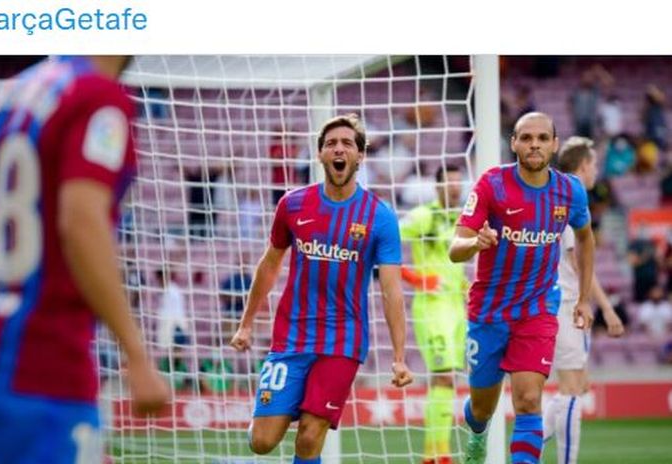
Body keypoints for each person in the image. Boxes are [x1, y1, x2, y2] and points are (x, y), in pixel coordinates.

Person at [0, 56, 168, 463]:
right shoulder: (97, 97)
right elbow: (80, 221)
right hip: (44, 359)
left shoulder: (7, 98)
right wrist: (136, 354)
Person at [230, 114, 413, 464]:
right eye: (331, 143)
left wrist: (400, 356)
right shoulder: (293, 204)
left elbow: (391, 290)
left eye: (347, 143)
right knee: (262, 442)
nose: (339, 149)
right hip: (292, 337)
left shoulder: (380, 217)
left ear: (360, 156)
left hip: (343, 341)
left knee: (310, 435)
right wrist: (247, 322)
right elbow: (270, 264)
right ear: (319, 155)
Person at [449, 112, 595, 464]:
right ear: (513, 142)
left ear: (554, 144)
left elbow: (586, 238)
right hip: (489, 311)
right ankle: (478, 434)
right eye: (526, 138)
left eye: (542, 138)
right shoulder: (492, 184)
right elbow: (455, 248)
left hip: (538, 309)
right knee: (482, 406)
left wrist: (585, 299)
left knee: (529, 399)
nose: (534, 144)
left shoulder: (569, 190)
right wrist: (475, 243)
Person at [543, 136, 625, 464]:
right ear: (581, 167)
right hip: (565, 304)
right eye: (592, 164)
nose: (595, 172)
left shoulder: (560, 200)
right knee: (573, 388)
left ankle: (527, 447)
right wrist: (606, 308)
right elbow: (580, 268)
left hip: (564, 303)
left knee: (575, 387)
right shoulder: (567, 204)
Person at [399, 164, 467, 464]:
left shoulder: (463, 220)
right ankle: (436, 455)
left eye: (457, 183)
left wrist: (464, 284)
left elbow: (452, 264)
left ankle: (437, 453)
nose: (454, 188)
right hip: (431, 308)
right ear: (437, 187)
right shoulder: (424, 216)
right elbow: (383, 242)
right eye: (449, 183)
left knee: (449, 381)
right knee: (442, 378)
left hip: (456, 309)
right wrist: (415, 279)